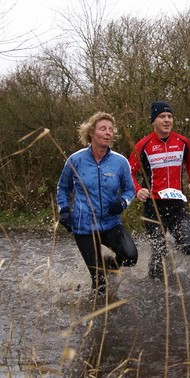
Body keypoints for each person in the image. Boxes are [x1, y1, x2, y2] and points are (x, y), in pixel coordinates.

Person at [57, 112, 138, 294]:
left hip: (110, 223)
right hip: (84, 227)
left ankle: (110, 263)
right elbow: (62, 188)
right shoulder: (75, 160)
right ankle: (99, 316)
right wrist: (64, 210)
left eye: (111, 129)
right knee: (100, 284)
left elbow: (129, 190)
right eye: (103, 129)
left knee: (131, 257)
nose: (108, 133)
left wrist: (123, 203)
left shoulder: (120, 162)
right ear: (91, 133)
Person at [128, 101, 190, 279]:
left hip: (176, 204)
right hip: (153, 207)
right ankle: (156, 291)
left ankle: (171, 254)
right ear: (154, 121)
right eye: (162, 117)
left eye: (170, 117)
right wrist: (137, 189)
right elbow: (127, 172)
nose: (167, 120)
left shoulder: (182, 142)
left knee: (188, 245)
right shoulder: (143, 146)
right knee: (159, 251)